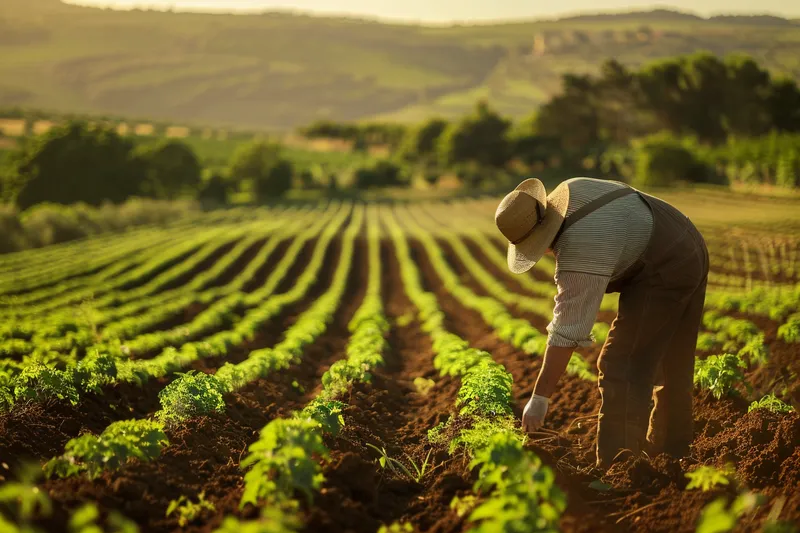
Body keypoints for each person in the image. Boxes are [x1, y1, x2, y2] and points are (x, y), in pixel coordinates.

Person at [494, 177, 709, 469]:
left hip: (667, 265)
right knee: (673, 359)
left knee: (622, 363)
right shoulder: (572, 189)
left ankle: (619, 465)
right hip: (685, 236)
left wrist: (540, 396)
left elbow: (568, 330)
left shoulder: (582, 246)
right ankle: (673, 451)